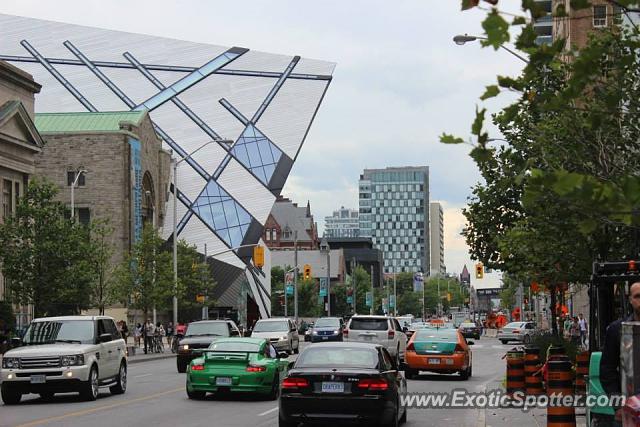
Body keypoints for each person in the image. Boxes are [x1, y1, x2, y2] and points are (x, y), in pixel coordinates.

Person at [601, 281, 640, 426]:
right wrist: (617, 404)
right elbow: (607, 370)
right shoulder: (617, 330)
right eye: (637, 296)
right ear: (630, 299)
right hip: (629, 406)